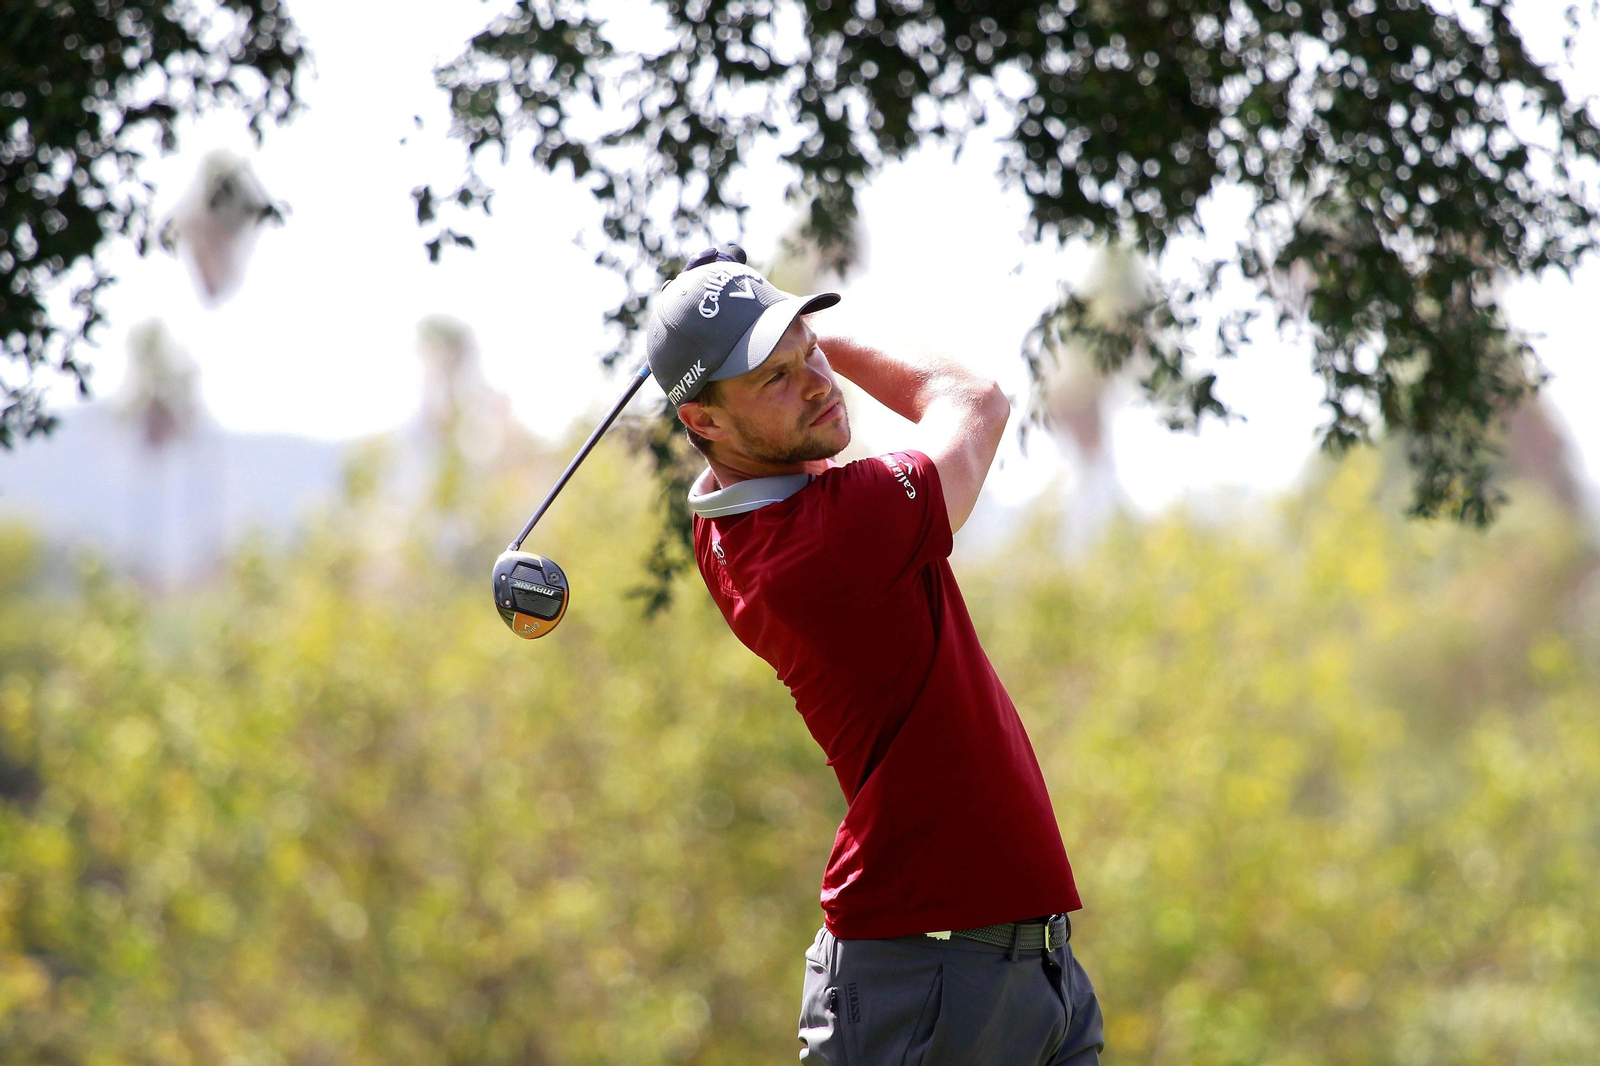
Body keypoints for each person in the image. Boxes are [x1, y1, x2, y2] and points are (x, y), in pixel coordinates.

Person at [645, 245, 1104, 1065]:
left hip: (1020, 966)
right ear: (704, 423)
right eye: (777, 378)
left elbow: (781, 456)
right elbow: (975, 401)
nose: (818, 380)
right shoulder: (829, 539)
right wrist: (809, 318)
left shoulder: (728, 520)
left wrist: (760, 322)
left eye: (808, 353)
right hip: (931, 976)